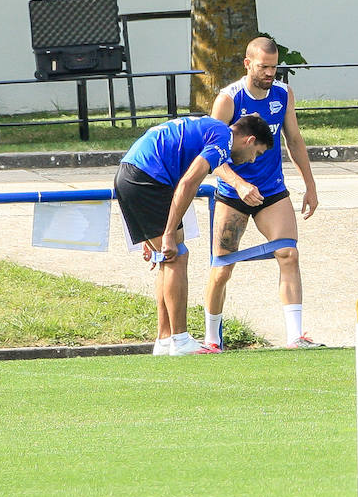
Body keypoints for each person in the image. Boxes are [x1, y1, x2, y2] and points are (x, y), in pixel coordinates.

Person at [114, 114, 272, 355]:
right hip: (147, 178)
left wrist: (154, 235)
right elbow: (188, 183)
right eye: (257, 153)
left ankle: (165, 340)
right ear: (249, 140)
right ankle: (180, 339)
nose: (252, 160)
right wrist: (166, 233)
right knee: (177, 255)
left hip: (132, 173)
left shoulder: (211, 127)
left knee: (167, 259)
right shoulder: (223, 140)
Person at [202, 37, 324, 351]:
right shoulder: (229, 99)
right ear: (248, 64)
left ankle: (295, 336)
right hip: (233, 192)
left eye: (273, 67)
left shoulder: (283, 94)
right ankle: (212, 339)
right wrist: (240, 185)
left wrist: (309, 185)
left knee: (289, 253)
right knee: (222, 267)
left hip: (272, 190)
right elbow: (210, 154)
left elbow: (294, 139)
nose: (270, 73)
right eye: (263, 67)